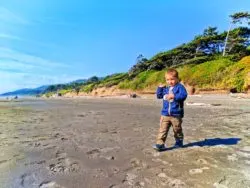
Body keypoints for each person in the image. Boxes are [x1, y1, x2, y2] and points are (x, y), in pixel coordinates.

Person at [153, 68, 188, 151]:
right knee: (162, 129)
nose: (170, 81)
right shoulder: (166, 88)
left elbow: (184, 96)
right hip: (165, 114)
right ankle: (160, 144)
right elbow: (159, 96)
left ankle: (179, 142)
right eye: (167, 80)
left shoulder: (180, 87)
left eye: (172, 79)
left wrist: (174, 96)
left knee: (177, 129)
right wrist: (160, 88)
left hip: (176, 114)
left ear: (177, 79)